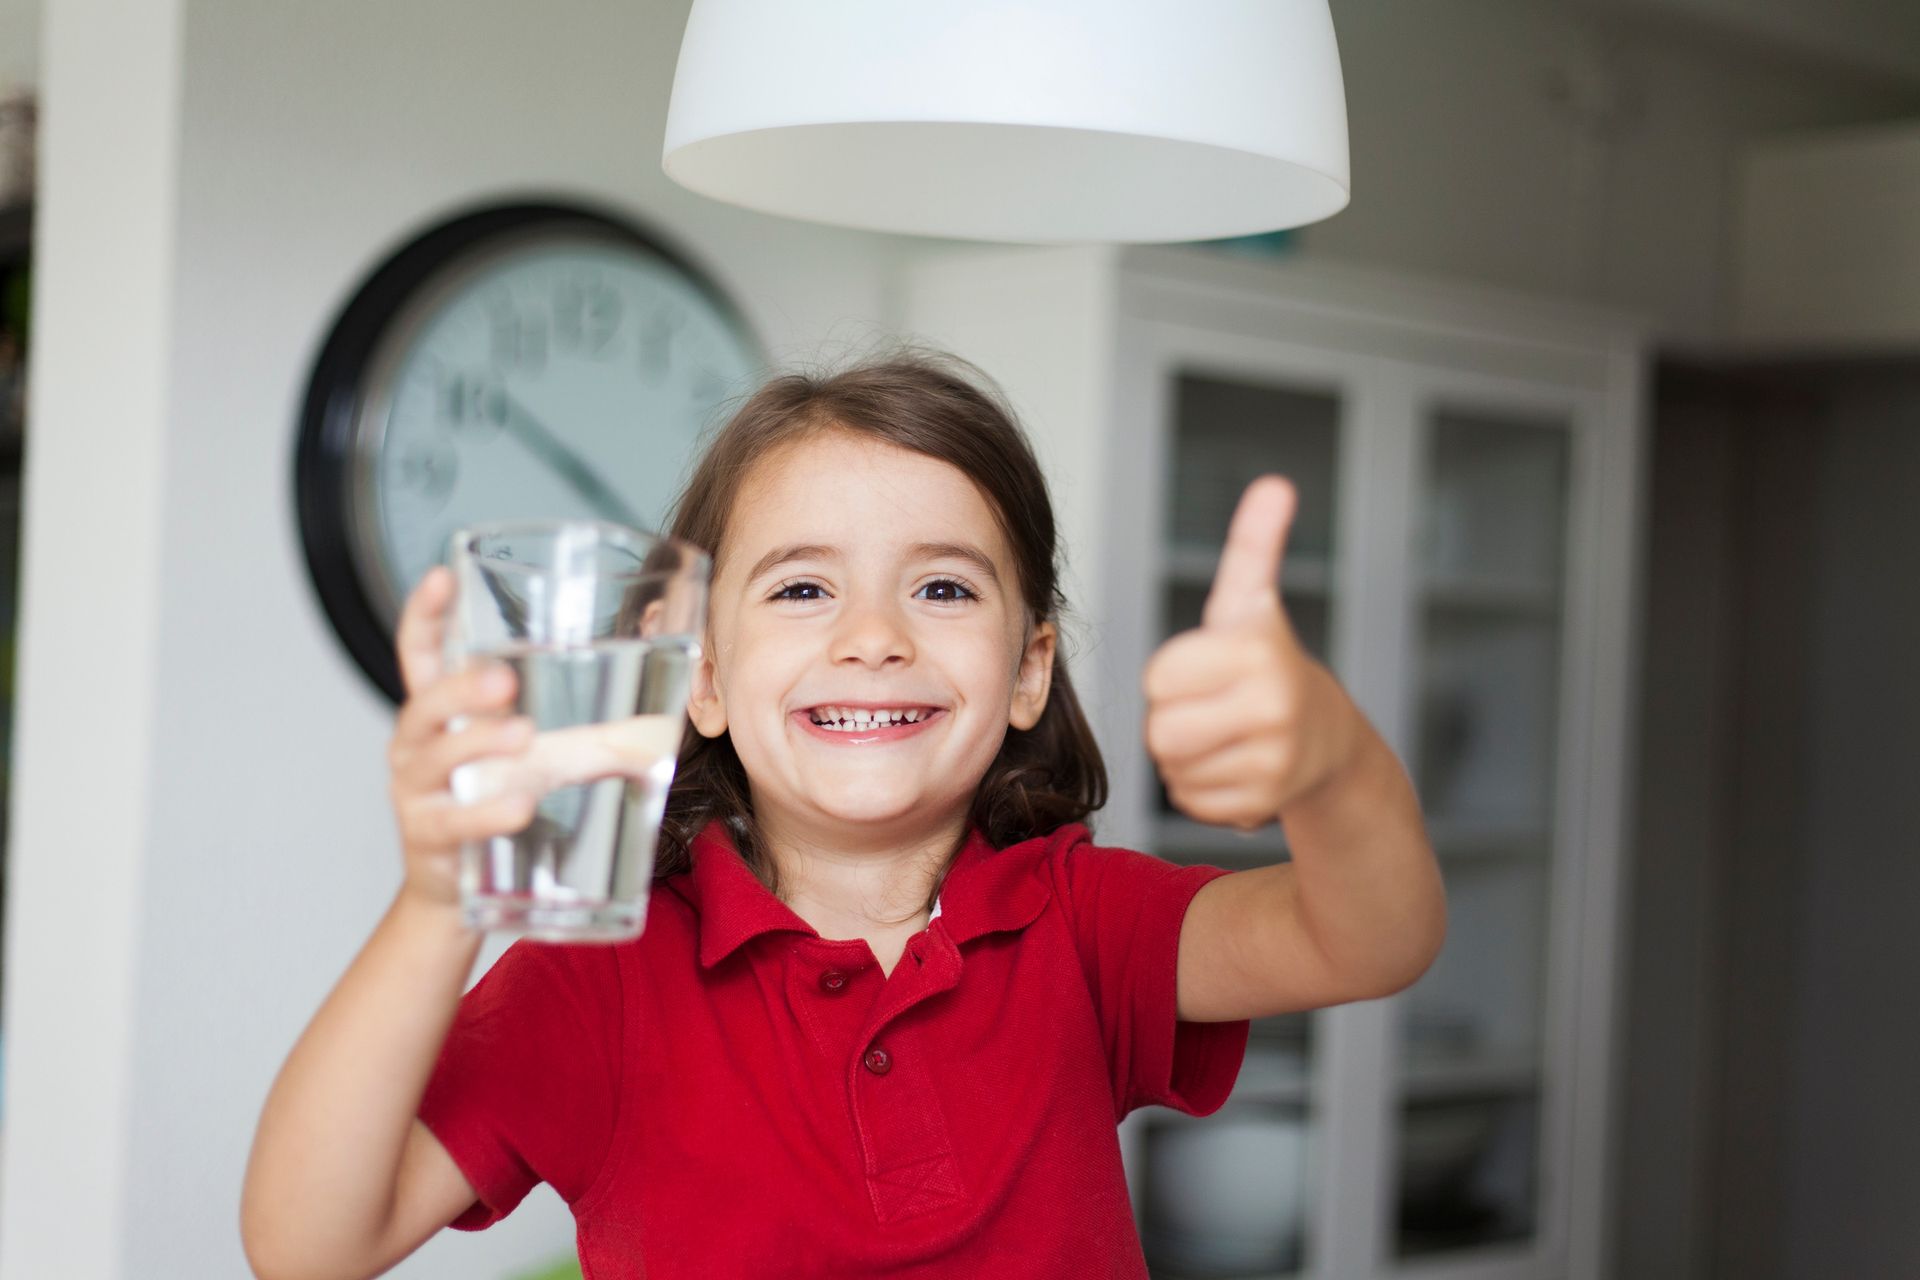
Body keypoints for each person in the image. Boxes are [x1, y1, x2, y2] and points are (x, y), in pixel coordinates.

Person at [241, 350, 1444, 1279]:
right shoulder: (597, 979)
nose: (874, 635)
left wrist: (1329, 760)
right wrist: (438, 902)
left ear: (1030, 670)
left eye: (941, 585)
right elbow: (307, 1245)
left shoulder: (1082, 922)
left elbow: (1373, 936)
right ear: (698, 676)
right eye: (804, 586)